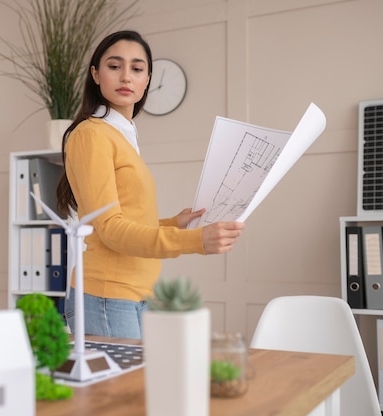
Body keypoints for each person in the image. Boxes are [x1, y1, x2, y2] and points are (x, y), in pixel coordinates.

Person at [56, 30, 245, 339]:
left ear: (147, 80)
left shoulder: (123, 134)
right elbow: (111, 230)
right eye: (115, 66)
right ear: (95, 74)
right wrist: (196, 241)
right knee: (123, 389)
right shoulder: (92, 135)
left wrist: (176, 224)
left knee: (141, 386)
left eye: (137, 68)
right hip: (107, 295)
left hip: (138, 293)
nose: (126, 77)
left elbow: (126, 220)